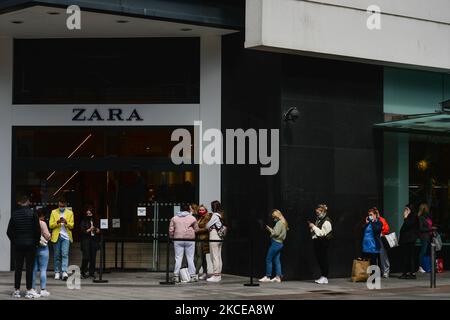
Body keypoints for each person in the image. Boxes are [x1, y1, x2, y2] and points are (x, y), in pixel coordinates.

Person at [7, 194, 41, 299]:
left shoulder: (14, 214)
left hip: (18, 246)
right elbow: (37, 231)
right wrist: (35, 243)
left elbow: (9, 232)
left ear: (20, 202)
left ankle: (16, 291)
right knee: (29, 269)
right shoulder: (33, 214)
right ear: (28, 202)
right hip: (30, 246)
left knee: (18, 268)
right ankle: (29, 291)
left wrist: (15, 241)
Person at [169, 203, 199, 283]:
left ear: (180, 209)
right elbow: (197, 229)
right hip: (190, 240)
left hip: (178, 239)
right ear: (189, 209)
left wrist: (172, 238)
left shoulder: (174, 218)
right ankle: (193, 276)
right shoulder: (192, 218)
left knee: (178, 258)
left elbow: (171, 230)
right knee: (190, 257)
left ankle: (176, 276)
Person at [259, 209, 288, 283]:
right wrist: (270, 229)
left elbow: (276, 233)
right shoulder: (284, 222)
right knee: (277, 260)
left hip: (276, 243)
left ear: (277, 216)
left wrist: (271, 231)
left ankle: (268, 276)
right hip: (280, 243)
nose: (273, 218)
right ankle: (278, 277)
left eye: (274, 217)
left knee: (268, 259)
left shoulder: (279, 223)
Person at [49, 198, 74, 281]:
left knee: (65, 254)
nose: (61, 207)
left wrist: (66, 222)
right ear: (58, 205)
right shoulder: (54, 212)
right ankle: (57, 272)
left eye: (63, 206)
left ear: (65, 205)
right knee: (57, 255)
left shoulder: (70, 213)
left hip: (66, 236)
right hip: (57, 236)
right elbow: (50, 225)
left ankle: (64, 272)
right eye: (60, 205)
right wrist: (57, 222)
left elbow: (72, 226)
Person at [309, 204, 332, 284]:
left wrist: (313, 227)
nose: (317, 214)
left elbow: (322, 233)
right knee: (320, 259)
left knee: (323, 259)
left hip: (323, 243)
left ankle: (325, 277)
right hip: (318, 242)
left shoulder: (327, 221)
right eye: (316, 212)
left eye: (318, 212)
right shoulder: (319, 219)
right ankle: (323, 276)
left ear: (323, 212)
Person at [31, 209, 51, 297]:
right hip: (43, 248)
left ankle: (33, 289)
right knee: (43, 269)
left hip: (33, 248)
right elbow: (47, 236)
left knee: (33, 270)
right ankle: (43, 290)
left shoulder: (31, 223)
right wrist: (50, 235)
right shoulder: (42, 223)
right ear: (42, 215)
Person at [206, 200, 225, 282]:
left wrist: (208, 226)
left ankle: (216, 275)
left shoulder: (214, 216)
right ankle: (218, 274)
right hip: (220, 237)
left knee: (214, 256)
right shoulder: (221, 215)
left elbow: (207, 225)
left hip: (214, 236)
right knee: (219, 256)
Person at [398, 204, 419, 279]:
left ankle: (411, 273)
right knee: (406, 257)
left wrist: (405, 217)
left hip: (410, 240)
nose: (405, 211)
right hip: (406, 240)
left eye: (407, 209)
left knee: (410, 257)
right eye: (405, 209)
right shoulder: (411, 217)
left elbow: (408, 225)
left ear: (410, 209)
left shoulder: (413, 217)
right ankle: (406, 272)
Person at [79, 206, 100, 279]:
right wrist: (89, 229)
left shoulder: (95, 221)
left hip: (94, 240)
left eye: (90, 214)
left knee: (93, 257)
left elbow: (99, 230)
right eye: (88, 214)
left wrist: (97, 230)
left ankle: (92, 272)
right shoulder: (83, 221)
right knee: (86, 256)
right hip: (86, 240)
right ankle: (83, 271)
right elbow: (82, 231)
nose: (89, 215)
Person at [194, 204, 211, 280]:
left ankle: (195, 273)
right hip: (198, 238)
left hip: (203, 239)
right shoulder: (199, 217)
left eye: (202, 210)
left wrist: (197, 231)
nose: (201, 211)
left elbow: (207, 228)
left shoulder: (207, 217)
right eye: (200, 210)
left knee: (199, 256)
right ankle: (205, 273)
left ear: (206, 210)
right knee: (203, 257)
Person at [375, 208, 391, 278]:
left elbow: (387, 229)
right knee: (374, 256)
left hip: (381, 239)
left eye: (376, 212)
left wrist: (381, 229)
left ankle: (385, 271)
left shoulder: (381, 219)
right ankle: (376, 272)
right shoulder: (370, 220)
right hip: (373, 239)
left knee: (383, 255)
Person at [418, 203, 432, 273]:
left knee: (427, 252)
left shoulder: (427, 217)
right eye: (426, 208)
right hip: (424, 237)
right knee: (423, 251)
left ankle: (427, 266)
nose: (427, 209)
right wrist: (430, 229)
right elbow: (421, 228)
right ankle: (420, 266)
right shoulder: (421, 217)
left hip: (429, 236)